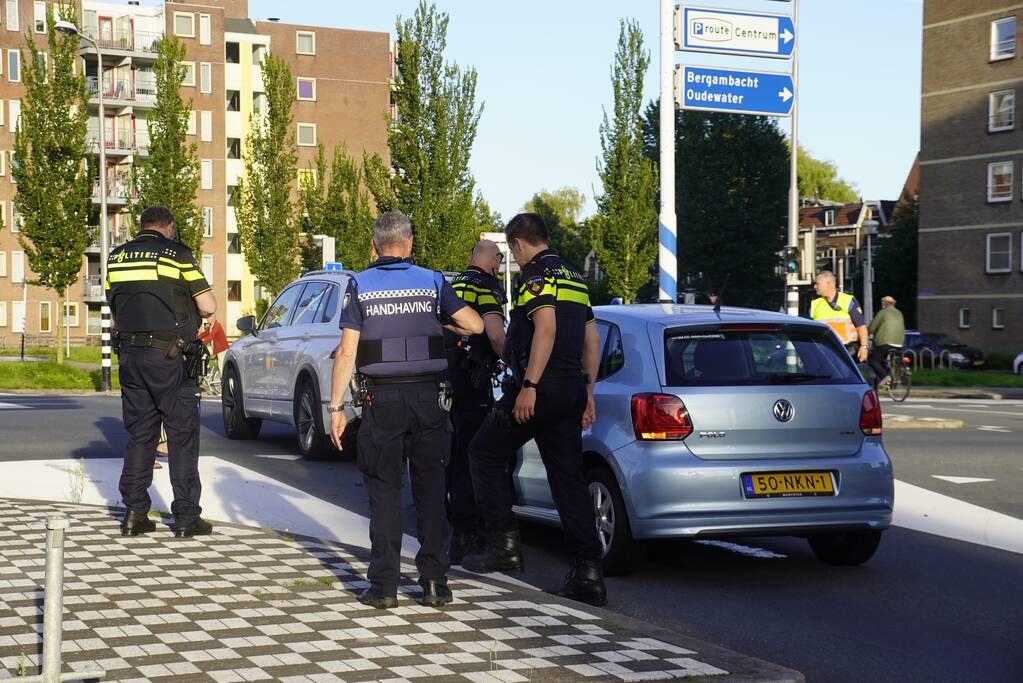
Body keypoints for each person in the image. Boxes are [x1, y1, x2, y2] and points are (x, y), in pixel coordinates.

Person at [328, 211, 484, 609]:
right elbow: (477, 326)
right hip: (430, 400)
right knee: (431, 490)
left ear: (374, 245)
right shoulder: (433, 281)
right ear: (410, 243)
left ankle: (384, 587)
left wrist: (336, 407)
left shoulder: (359, 285)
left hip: (381, 400)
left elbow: (347, 350)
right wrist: (442, 325)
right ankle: (435, 584)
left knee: (384, 489)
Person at [463, 213, 606, 607]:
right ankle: (589, 573)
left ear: (519, 244)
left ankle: (503, 547)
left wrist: (529, 386)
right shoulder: (575, 278)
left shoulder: (536, 276)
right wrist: (588, 391)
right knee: (568, 481)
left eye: (512, 250)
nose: (514, 256)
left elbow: (545, 328)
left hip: (539, 388)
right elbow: (591, 341)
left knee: (484, 452)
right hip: (571, 391)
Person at [106, 205, 217, 538]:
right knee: (181, 435)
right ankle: (185, 518)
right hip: (170, 357)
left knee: (141, 435)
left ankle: (135, 514)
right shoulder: (176, 254)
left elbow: (115, 310)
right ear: (167, 227)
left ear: (141, 227)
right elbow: (208, 305)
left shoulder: (116, 258)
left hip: (130, 358)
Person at [445, 240, 507, 564]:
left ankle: (458, 534)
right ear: (494, 261)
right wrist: (518, 365)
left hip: (449, 382)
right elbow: (496, 336)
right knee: (478, 458)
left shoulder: (454, 283)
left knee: (455, 458)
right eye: (499, 260)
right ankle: (473, 536)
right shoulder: (488, 288)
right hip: (475, 384)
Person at [810, 271, 869, 363]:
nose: (814, 287)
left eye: (817, 284)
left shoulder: (848, 301)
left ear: (829, 284)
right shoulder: (815, 304)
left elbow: (861, 325)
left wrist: (864, 347)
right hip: (824, 351)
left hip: (848, 351)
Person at [867, 295, 906, 388]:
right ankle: (891, 380)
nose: (882, 304)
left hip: (884, 342)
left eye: (882, 302)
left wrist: (865, 334)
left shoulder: (882, 313)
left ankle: (885, 376)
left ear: (885, 303)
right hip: (899, 343)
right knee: (884, 359)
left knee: (873, 360)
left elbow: (872, 327)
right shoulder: (899, 313)